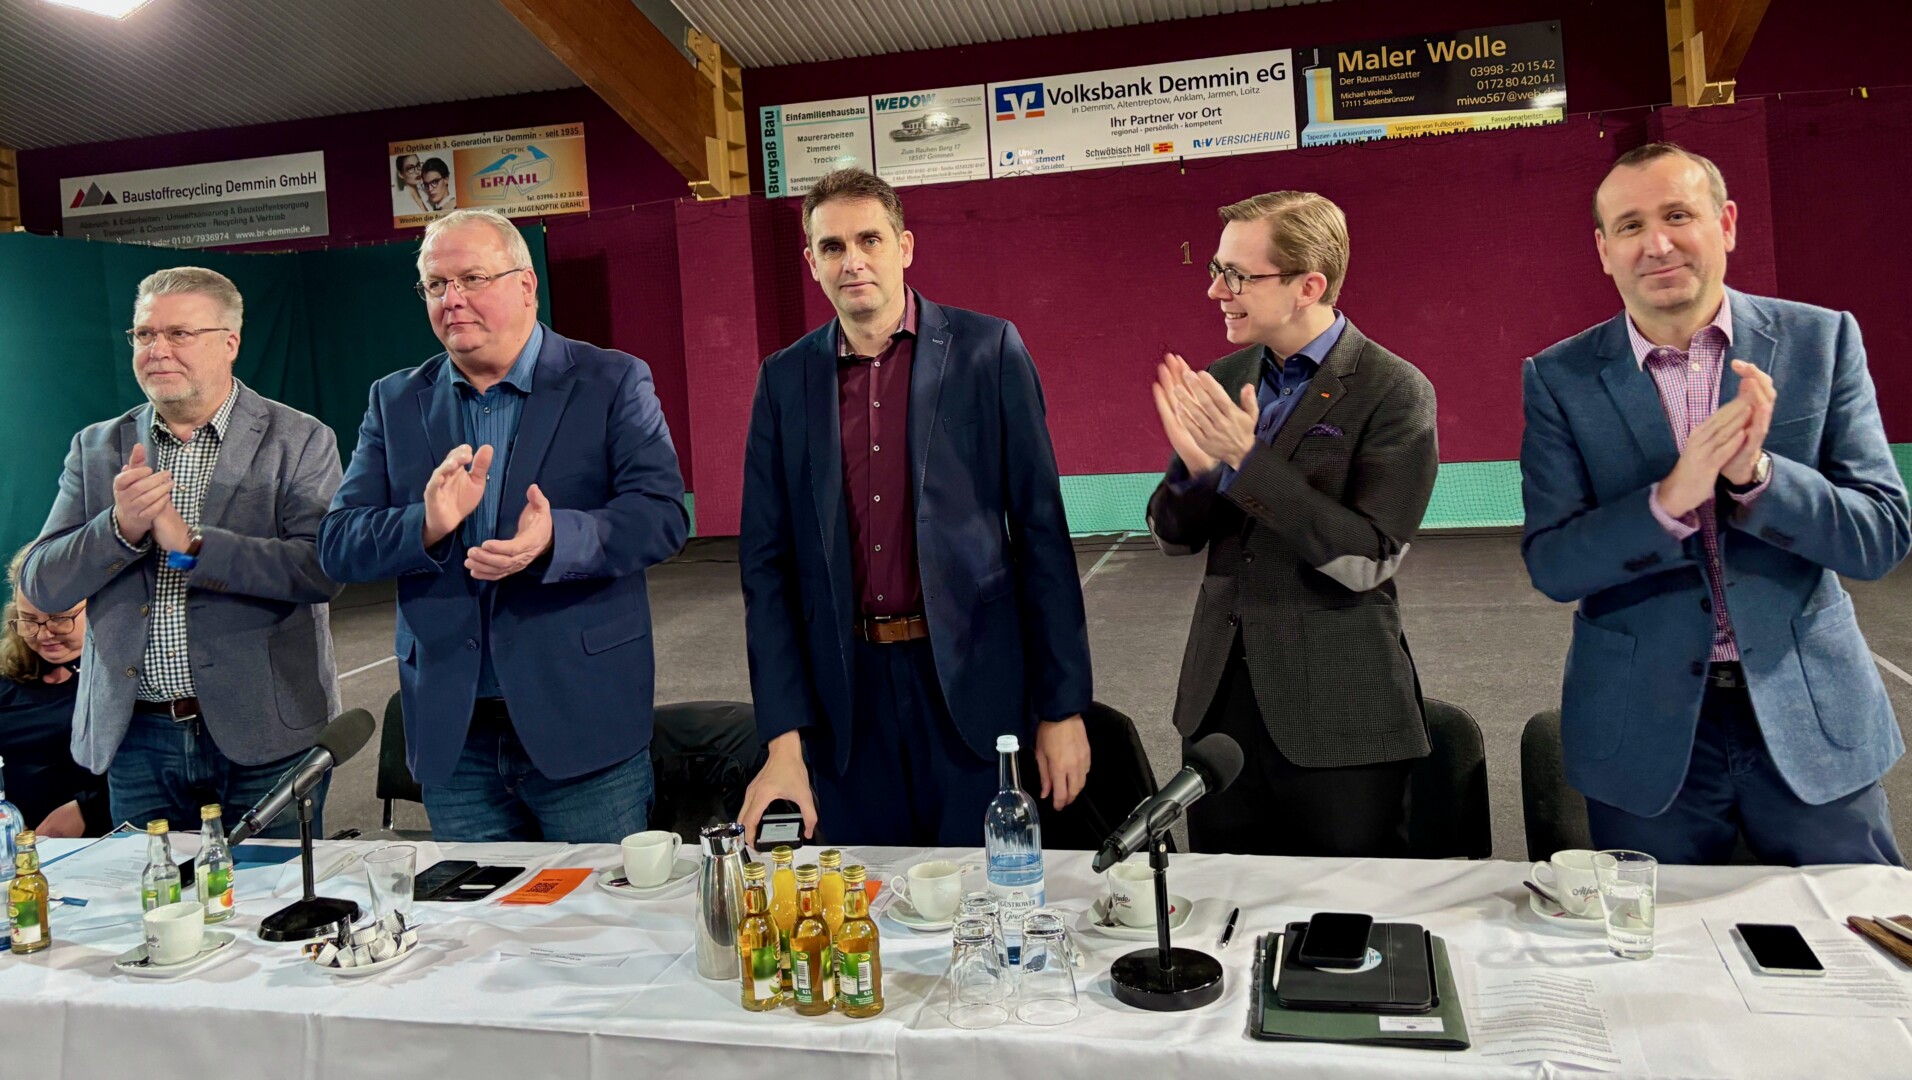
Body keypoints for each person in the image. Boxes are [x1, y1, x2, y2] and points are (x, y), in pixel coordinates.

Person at [1521, 142, 1908, 866]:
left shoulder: (1821, 342)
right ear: (1603, 251)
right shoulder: (1558, 379)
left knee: (1848, 927)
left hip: (1810, 718)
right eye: (1630, 226)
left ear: (1725, 223)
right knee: (1657, 932)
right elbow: (1554, 565)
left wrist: (1758, 476)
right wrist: (1669, 501)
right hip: (1644, 730)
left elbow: (1880, 536)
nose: (1657, 243)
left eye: (1678, 215)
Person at [737, 168, 1092, 847]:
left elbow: (1042, 535)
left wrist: (1062, 707)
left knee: (986, 893)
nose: (853, 260)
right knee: (865, 896)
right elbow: (765, 568)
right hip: (847, 705)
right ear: (811, 263)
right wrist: (783, 741)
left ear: (904, 246)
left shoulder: (988, 351)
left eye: (869, 239)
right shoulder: (783, 380)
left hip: (972, 689)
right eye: (833, 246)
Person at [320, 208, 687, 843]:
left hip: (582, 723)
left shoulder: (611, 380)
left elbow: (661, 515)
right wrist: (426, 525)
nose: (452, 300)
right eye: (436, 285)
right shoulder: (395, 399)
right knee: (474, 910)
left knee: (597, 905)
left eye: (472, 279)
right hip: (453, 734)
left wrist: (555, 540)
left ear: (525, 286)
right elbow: (338, 543)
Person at [1146, 191, 1438, 857]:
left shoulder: (1395, 390)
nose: (1215, 290)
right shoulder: (1224, 379)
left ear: (1309, 286)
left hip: (1341, 717)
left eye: (1236, 275)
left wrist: (1245, 462)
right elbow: (1172, 537)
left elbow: (1366, 560)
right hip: (1219, 713)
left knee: (1345, 913)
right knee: (1223, 905)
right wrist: (1196, 476)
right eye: (1216, 269)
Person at [21, 267, 344, 839]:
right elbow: (43, 582)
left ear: (230, 342)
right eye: (145, 334)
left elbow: (320, 570)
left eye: (179, 334)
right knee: (155, 894)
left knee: (271, 892)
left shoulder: (299, 439)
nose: (158, 350)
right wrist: (119, 527)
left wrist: (192, 547)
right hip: (137, 741)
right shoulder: (96, 447)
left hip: (264, 733)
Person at [1, 547, 110, 838]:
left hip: (100, 836)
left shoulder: (124, 680)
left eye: (60, 618)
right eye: (29, 620)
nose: (44, 633)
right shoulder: (8, 678)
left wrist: (90, 808)